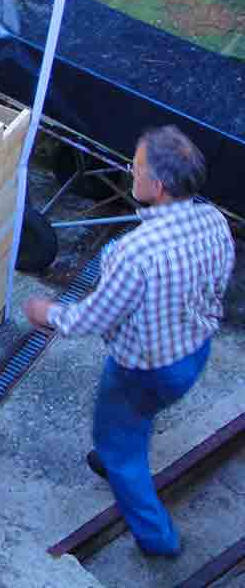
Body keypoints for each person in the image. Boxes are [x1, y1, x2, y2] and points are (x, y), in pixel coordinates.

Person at [24, 125, 235, 559]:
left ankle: (159, 540)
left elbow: (91, 318)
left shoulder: (134, 253)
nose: (128, 171)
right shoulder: (215, 219)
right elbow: (217, 286)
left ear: (156, 186)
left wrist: (48, 313)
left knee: (123, 450)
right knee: (136, 418)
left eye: (135, 168)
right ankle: (117, 445)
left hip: (144, 369)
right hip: (194, 353)